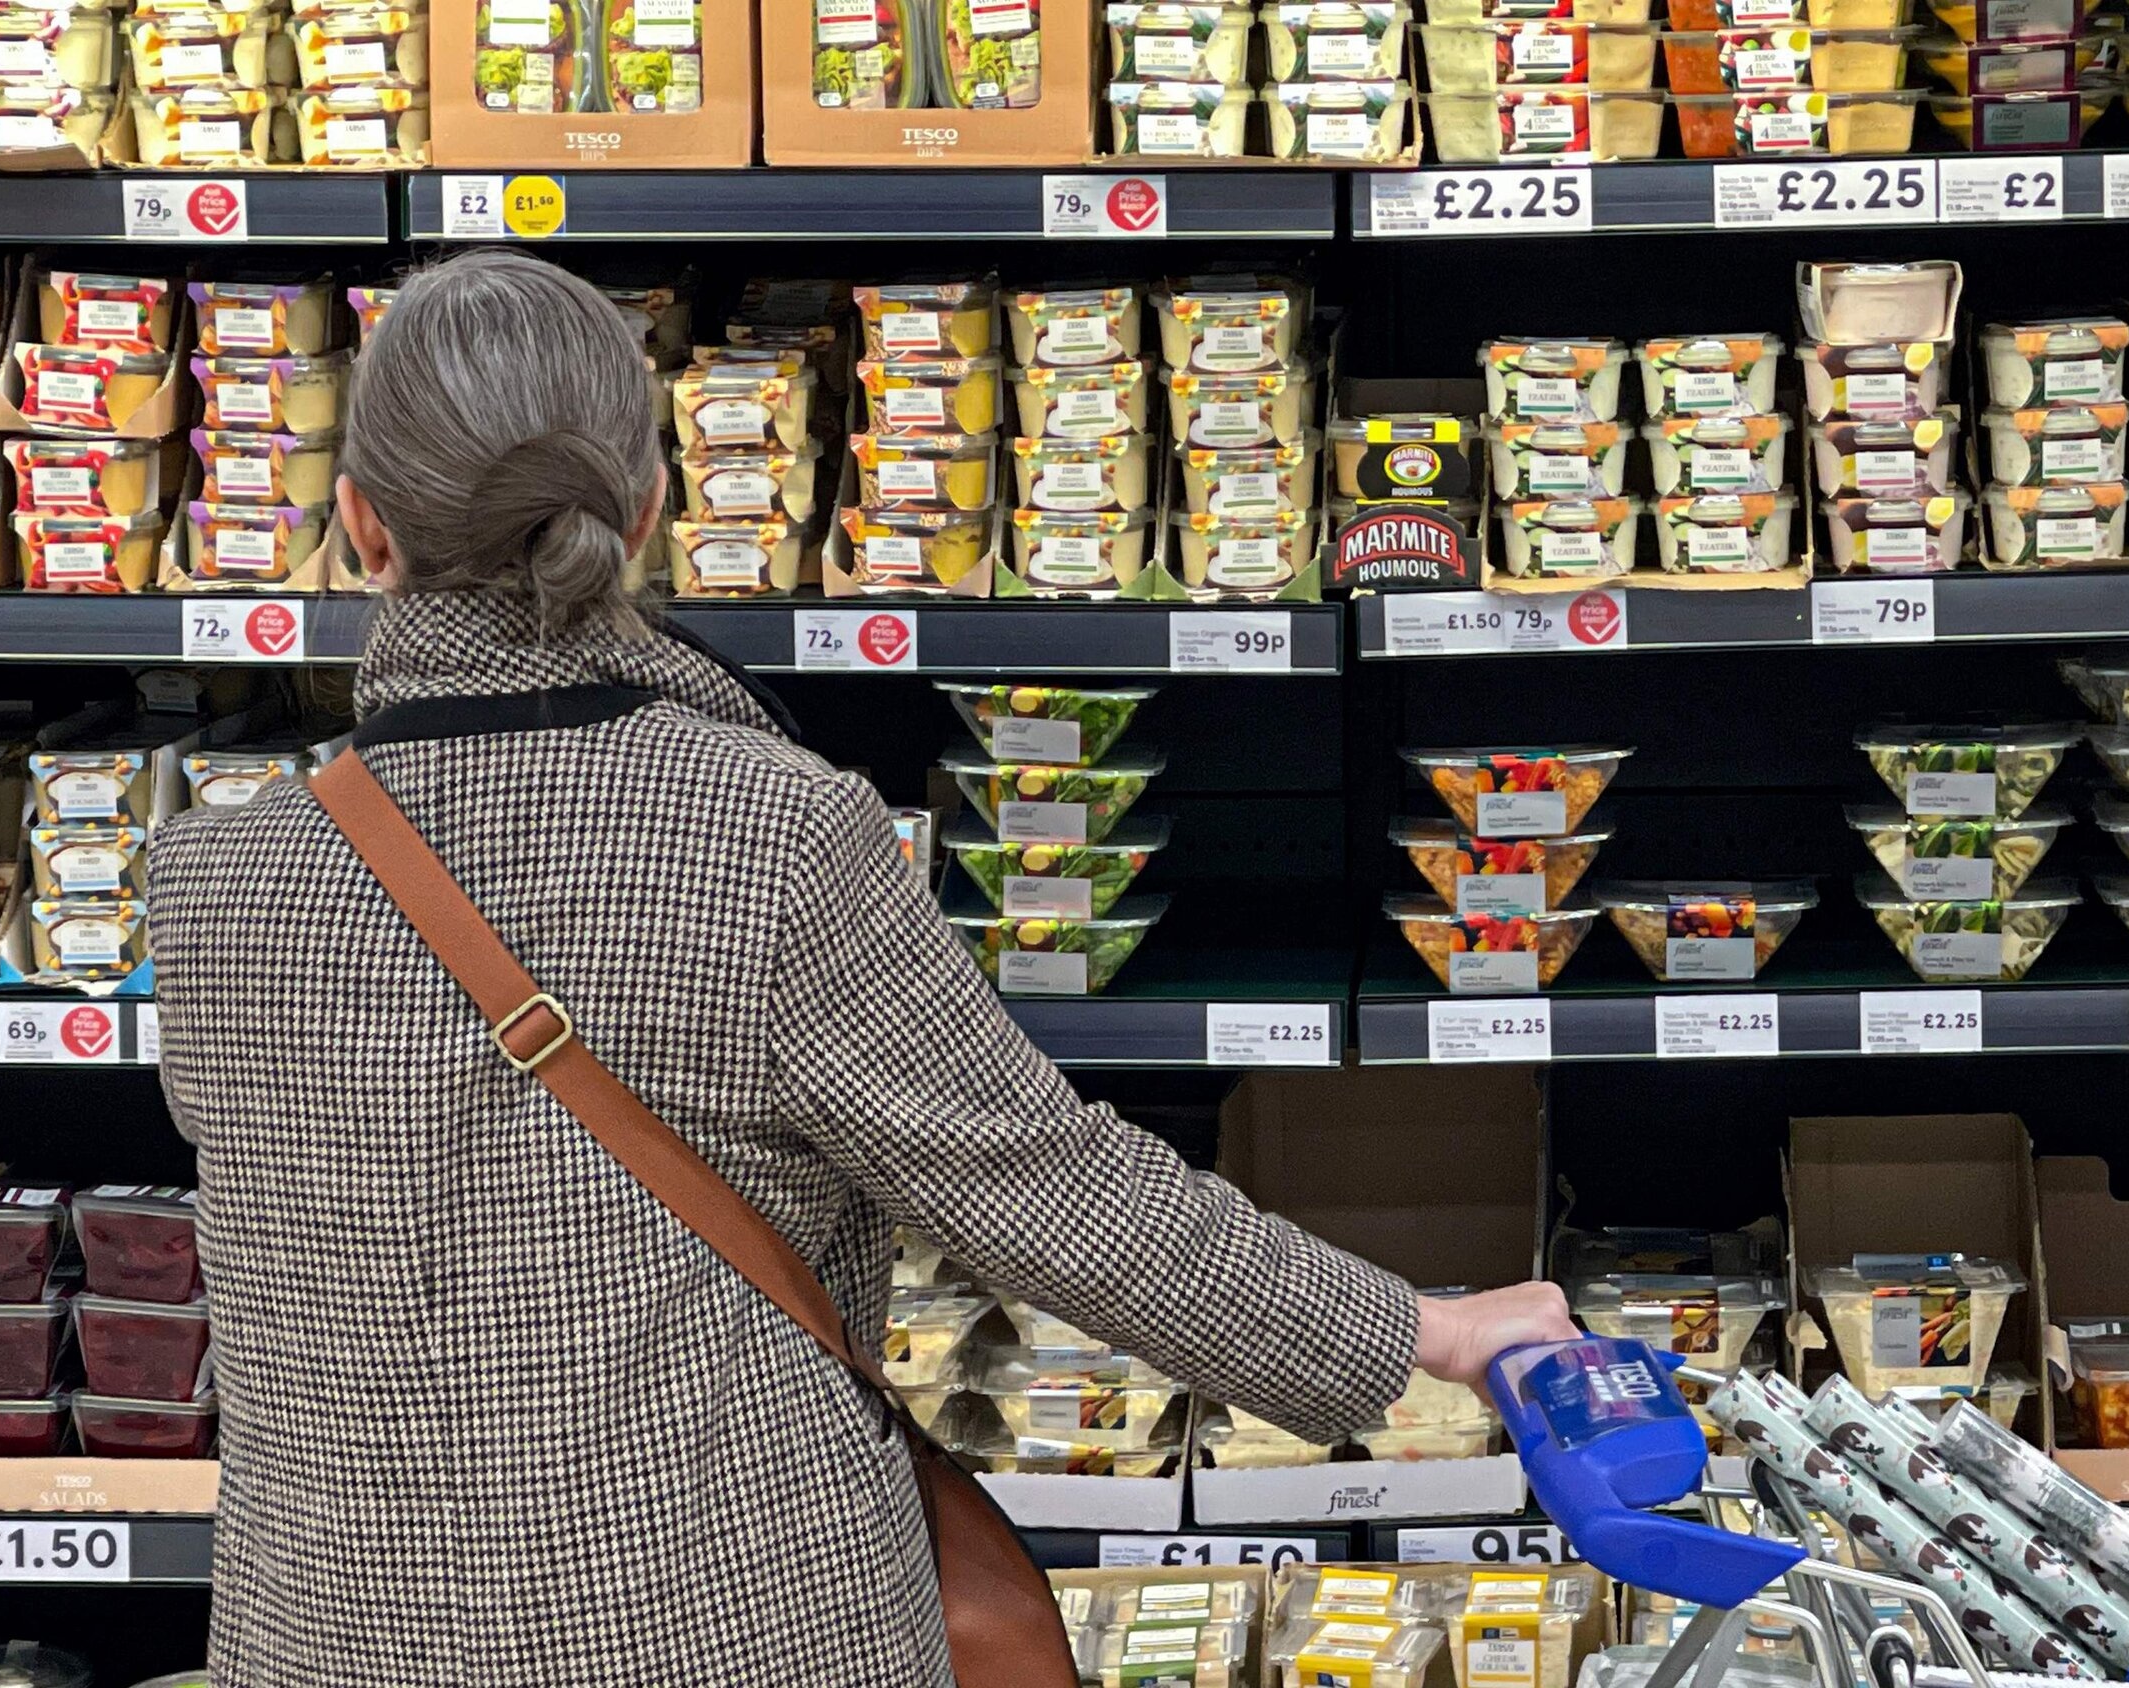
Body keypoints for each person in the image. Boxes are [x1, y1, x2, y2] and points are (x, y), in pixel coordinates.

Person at [146, 249, 1576, 1688]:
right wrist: (1422, 1329)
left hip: (336, 1638)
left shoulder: (208, 890)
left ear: (359, 530)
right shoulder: (770, 836)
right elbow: (1048, 1192)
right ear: (649, 509)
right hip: (728, 1624)